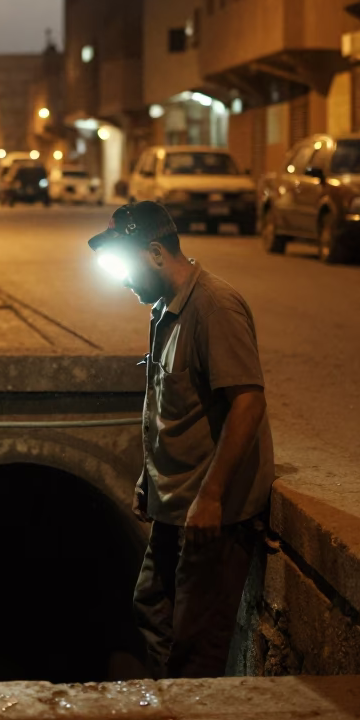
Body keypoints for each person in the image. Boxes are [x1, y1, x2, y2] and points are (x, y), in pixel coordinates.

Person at [88, 201, 274, 679]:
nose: (124, 282)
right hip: (174, 506)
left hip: (211, 516)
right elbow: (171, 405)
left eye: (126, 267)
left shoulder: (214, 306)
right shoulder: (164, 309)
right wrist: (149, 480)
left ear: (154, 254)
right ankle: (172, 707)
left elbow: (248, 402)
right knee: (151, 607)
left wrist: (211, 498)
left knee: (196, 644)